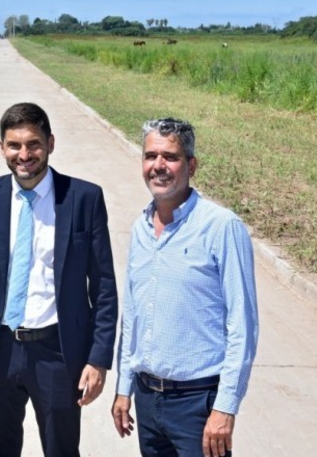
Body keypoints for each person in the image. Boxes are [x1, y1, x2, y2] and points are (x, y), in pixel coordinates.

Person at [0, 102, 118, 457]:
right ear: (2, 148)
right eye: (14, 145)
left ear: (50, 143)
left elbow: (103, 289)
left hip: (57, 351)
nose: (24, 154)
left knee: (62, 450)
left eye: (33, 144)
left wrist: (98, 359)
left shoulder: (83, 198)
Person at [111, 118, 259, 457]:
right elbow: (132, 315)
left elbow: (243, 327)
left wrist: (225, 407)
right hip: (148, 401)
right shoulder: (140, 229)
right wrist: (124, 387)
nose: (158, 166)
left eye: (170, 157)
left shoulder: (221, 227)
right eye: (150, 156)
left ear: (191, 165)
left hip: (198, 404)